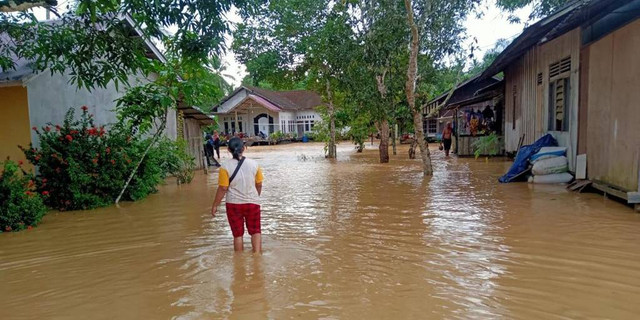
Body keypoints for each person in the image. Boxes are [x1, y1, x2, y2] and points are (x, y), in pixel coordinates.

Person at [211, 137, 264, 253]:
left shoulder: (225, 167)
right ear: (244, 148)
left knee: (237, 234)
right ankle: (257, 257)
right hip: (253, 203)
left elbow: (223, 188)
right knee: (255, 231)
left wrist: (215, 204)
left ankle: (239, 261)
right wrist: (255, 197)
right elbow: (259, 184)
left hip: (233, 204)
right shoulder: (254, 164)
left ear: (228, 150)